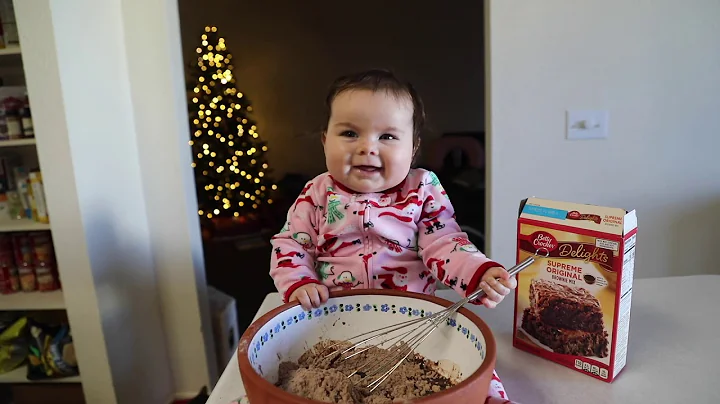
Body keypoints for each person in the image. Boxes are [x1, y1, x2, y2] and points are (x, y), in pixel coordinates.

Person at [269, 68, 516, 311]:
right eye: (349, 133)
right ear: (325, 142)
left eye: (387, 136)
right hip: (334, 316)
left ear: (413, 148)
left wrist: (477, 272)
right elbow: (292, 244)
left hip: (409, 316)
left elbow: (444, 242)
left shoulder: (422, 188)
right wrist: (299, 283)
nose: (367, 147)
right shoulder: (317, 192)